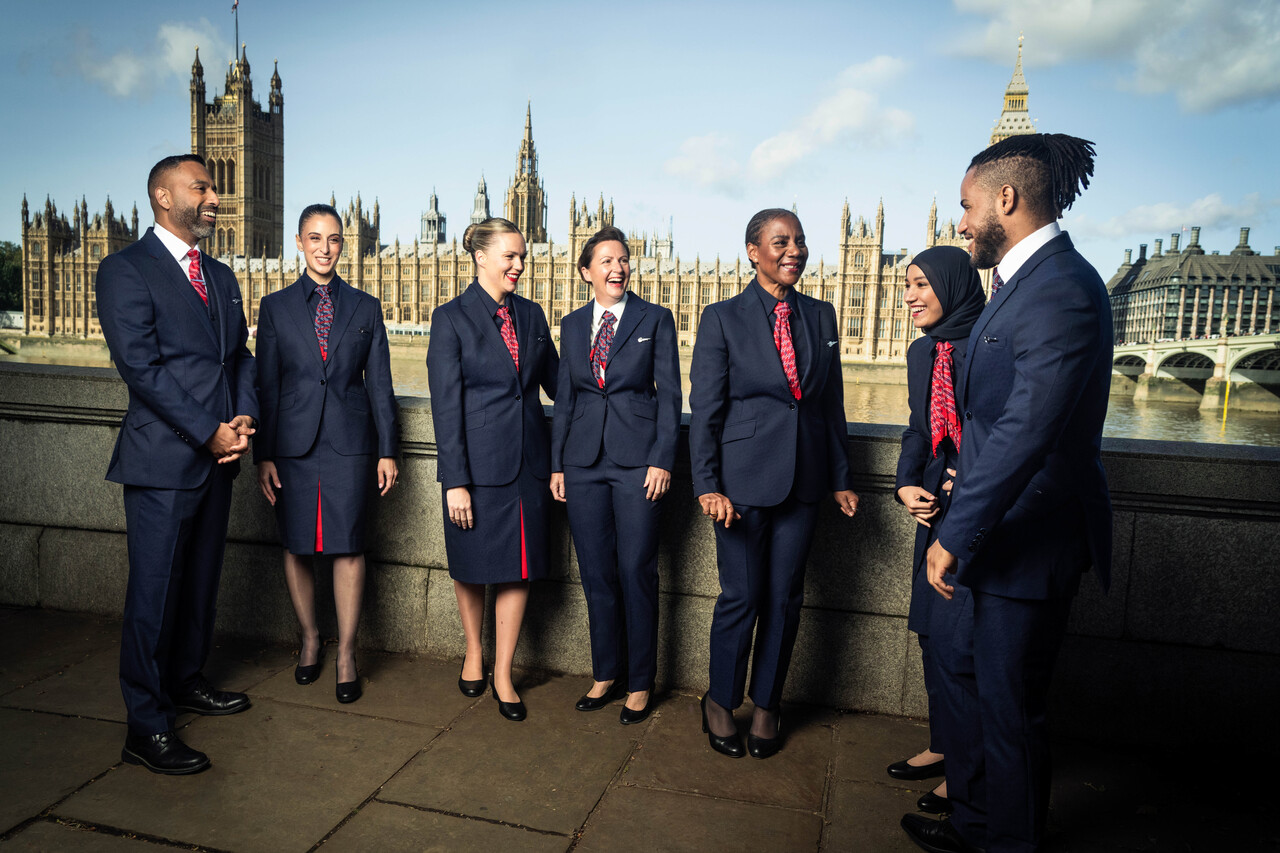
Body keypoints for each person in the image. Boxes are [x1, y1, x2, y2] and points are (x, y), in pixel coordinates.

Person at [900, 134, 1112, 853]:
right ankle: (977, 822)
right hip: (1002, 527)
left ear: (1007, 199)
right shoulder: (1024, 284)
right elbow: (993, 418)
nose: (960, 223)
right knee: (982, 692)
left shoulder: (1060, 288)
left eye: (965, 206)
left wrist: (956, 533)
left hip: (1029, 537)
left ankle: (1007, 843)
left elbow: (1028, 428)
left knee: (1013, 711)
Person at [95, 153, 257, 775]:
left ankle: (187, 679)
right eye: (203, 187)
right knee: (154, 595)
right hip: (164, 458)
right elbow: (142, 368)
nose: (215, 196)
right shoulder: (125, 269)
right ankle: (145, 724)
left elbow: (237, 355)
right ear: (164, 197)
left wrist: (242, 419)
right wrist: (206, 431)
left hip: (220, 454)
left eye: (214, 187)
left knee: (199, 584)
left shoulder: (217, 274)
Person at [689, 208, 859, 759]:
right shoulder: (722, 317)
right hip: (739, 486)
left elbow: (829, 405)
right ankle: (720, 700)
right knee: (741, 595)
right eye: (781, 241)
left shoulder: (821, 315)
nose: (794, 251)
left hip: (805, 482)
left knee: (786, 599)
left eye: (801, 242)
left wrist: (839, 478)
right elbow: (707, 410)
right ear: (752, 251)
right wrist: (707, 485)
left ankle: (767, 704)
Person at [254, 203, 399, 705]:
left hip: (350, 444)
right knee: (297, 546)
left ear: (345, 244)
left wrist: (388, 450)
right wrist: (263, 455)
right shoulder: (273, 308)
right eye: (315, 238)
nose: (325, 247)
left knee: (348, 545)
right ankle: (311, 638)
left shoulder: (365, 306)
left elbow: (380, 386)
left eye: (334, 239)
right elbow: (266, 386)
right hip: (291, 446)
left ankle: (347, 653)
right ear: (299, 242)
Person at [426, 217, 559, 722]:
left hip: (528, 464)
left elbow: (557, 385)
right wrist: (454, 481)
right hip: (477, 469)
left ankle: (503, 671)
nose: (520, 266)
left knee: (519, 568)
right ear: (482, 257)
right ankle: (474, 653)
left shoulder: (531, 315)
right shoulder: (451, 318)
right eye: (511, 256)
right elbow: (446, 406)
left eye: (523, 257)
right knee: (471, 564)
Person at [549, 225, 681, 724]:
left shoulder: (655, 318)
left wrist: (663, 459)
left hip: (637, 463)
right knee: (597, 574)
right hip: (583, 463)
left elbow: (670, 396)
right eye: (606, 261)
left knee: (636, 572)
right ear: (586, 272)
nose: (618, 268)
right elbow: (566, 399)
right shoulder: (571, 322)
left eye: (623, 259)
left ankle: (641, 683)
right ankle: (606, 673)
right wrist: (557, 463)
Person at [888, 246, 986, 815]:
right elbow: (919, 428)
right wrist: (905, 483)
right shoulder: (923, 352)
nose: (911, 296)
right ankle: (944, 745)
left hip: (971, 512)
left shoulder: (987, 344)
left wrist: (958, 480)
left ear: (952, 284)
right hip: (931, 511)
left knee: (959, 645)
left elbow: (999, 433)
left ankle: (968, 775)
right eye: (906, 285)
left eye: (923, 284)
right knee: (930, 633)